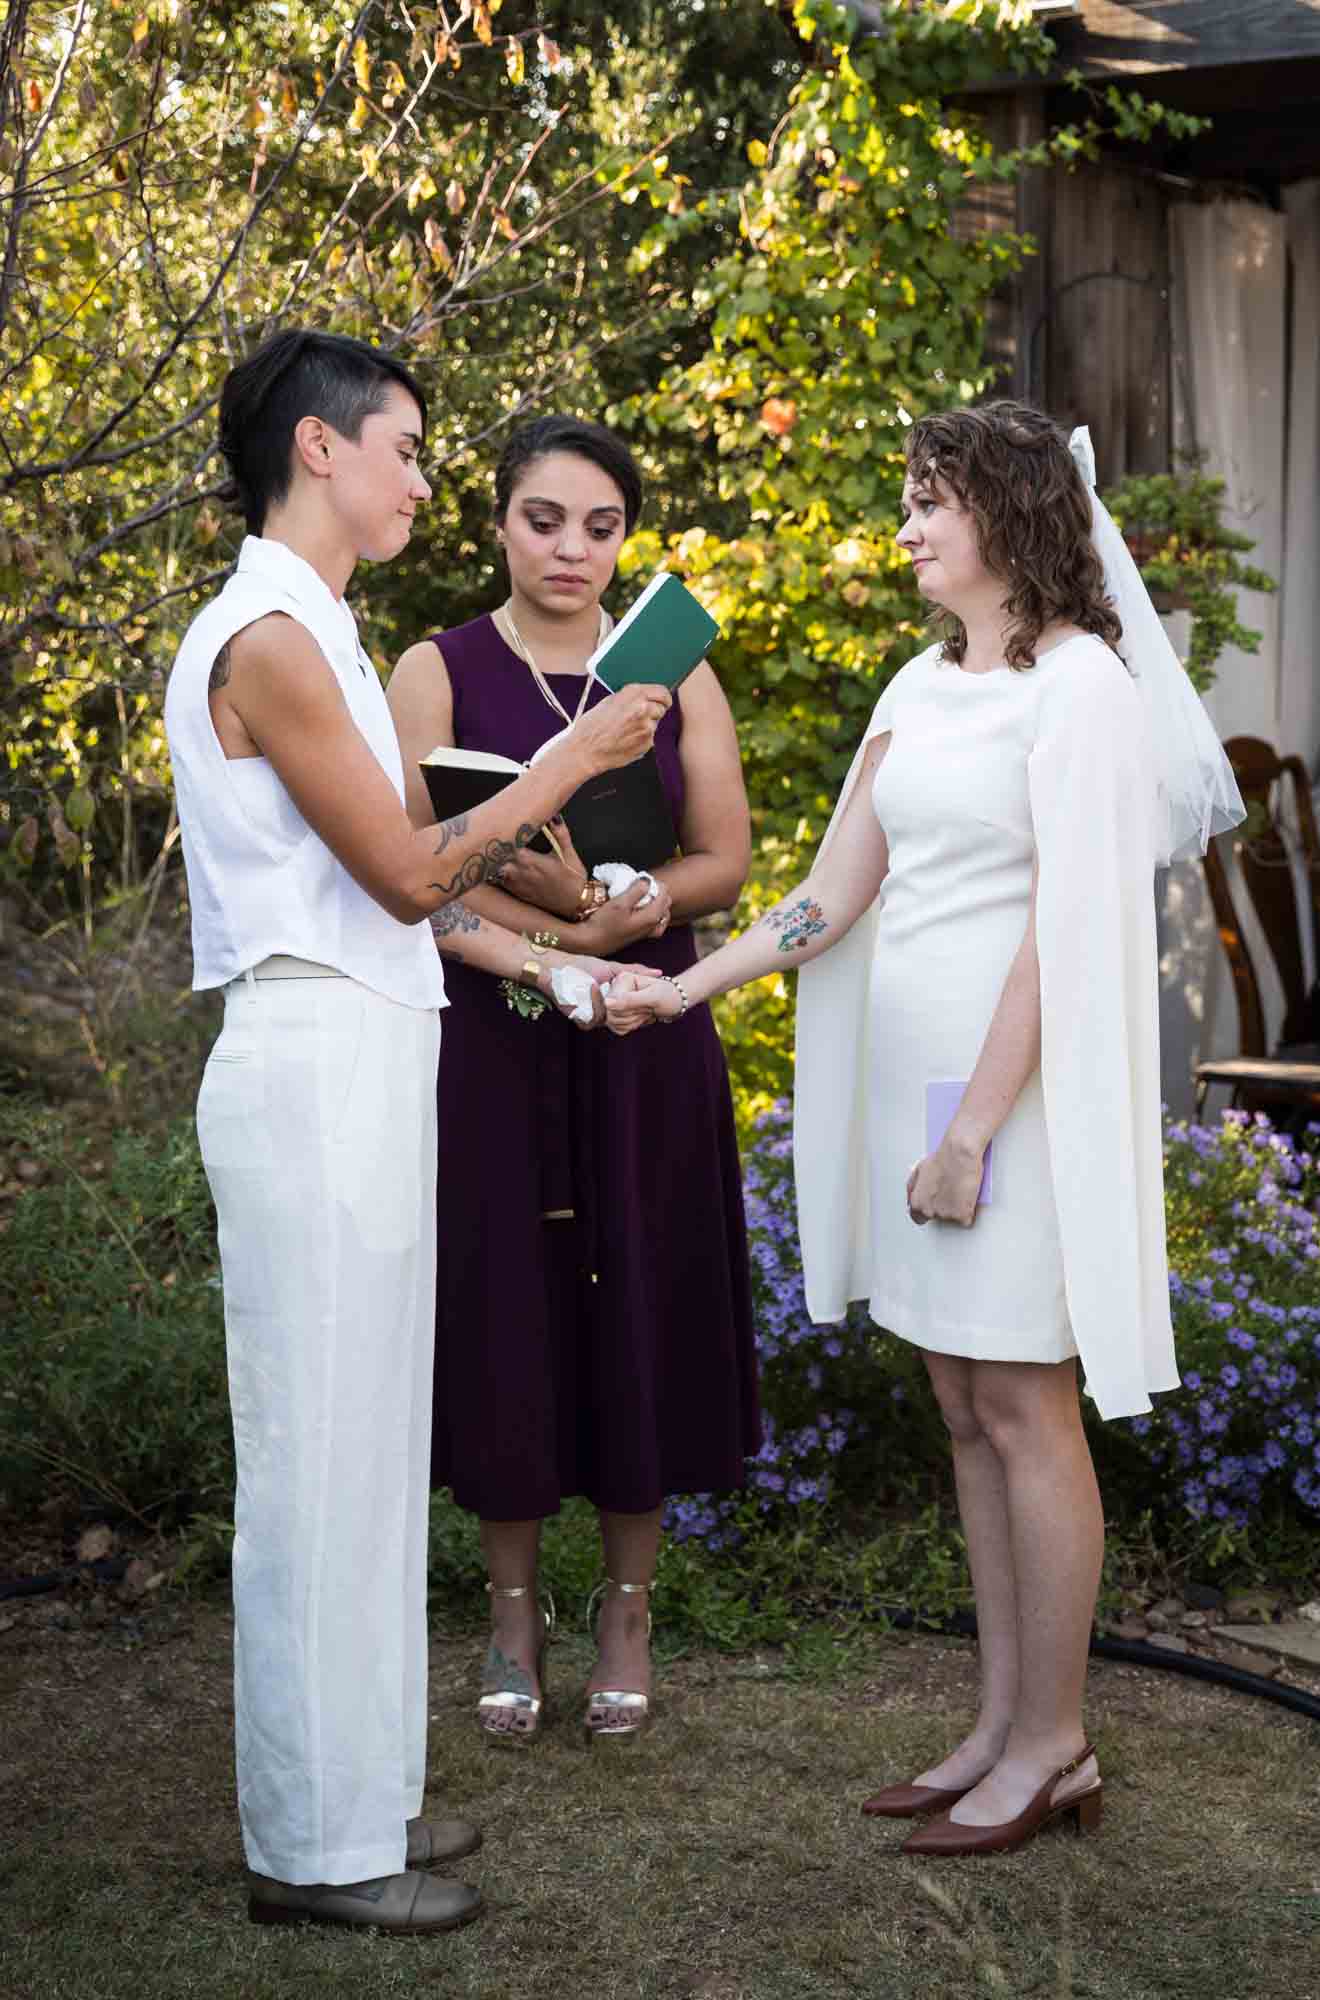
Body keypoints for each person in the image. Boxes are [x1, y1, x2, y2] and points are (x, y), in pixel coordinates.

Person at [606, 402, 1243, 1854]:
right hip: (916, 1097)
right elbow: (832, 891)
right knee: (962, 1409)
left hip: (1006, 1105)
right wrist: (681, 989)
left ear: (1008, 516)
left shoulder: (1079, 689)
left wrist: (970, 1130)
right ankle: (1000, 1723)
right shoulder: (916, 679)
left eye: (928, 501)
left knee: (1025, 1407)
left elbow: (1059, 934)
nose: (904, 527)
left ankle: (1058, 1746)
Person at [164, 331, 671, 1932]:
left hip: (376, 1053)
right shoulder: (267, 637)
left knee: (375, 1454)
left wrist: (563, 920)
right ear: (319, 450)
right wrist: (572, 761)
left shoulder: (323, 622)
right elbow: (400, 875)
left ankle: (365, 1794)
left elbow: (430, 867)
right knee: (317, 1466)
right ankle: (309, 1853)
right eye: (403, 448)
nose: (419, 477)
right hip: (308, 1060)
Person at [386, 415, 758, 1745]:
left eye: (600, 526)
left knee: (641, 1304)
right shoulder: (434, 667)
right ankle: (505, 1616)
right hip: (493, 1033)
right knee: (507, 1309)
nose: (572, 548)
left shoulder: (672, 669)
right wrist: (558, 946)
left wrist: (642, 902)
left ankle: (628, 1611)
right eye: (545, 519)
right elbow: (407, 874)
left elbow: (727, 859)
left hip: (644, 1033)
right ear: (498, 522)